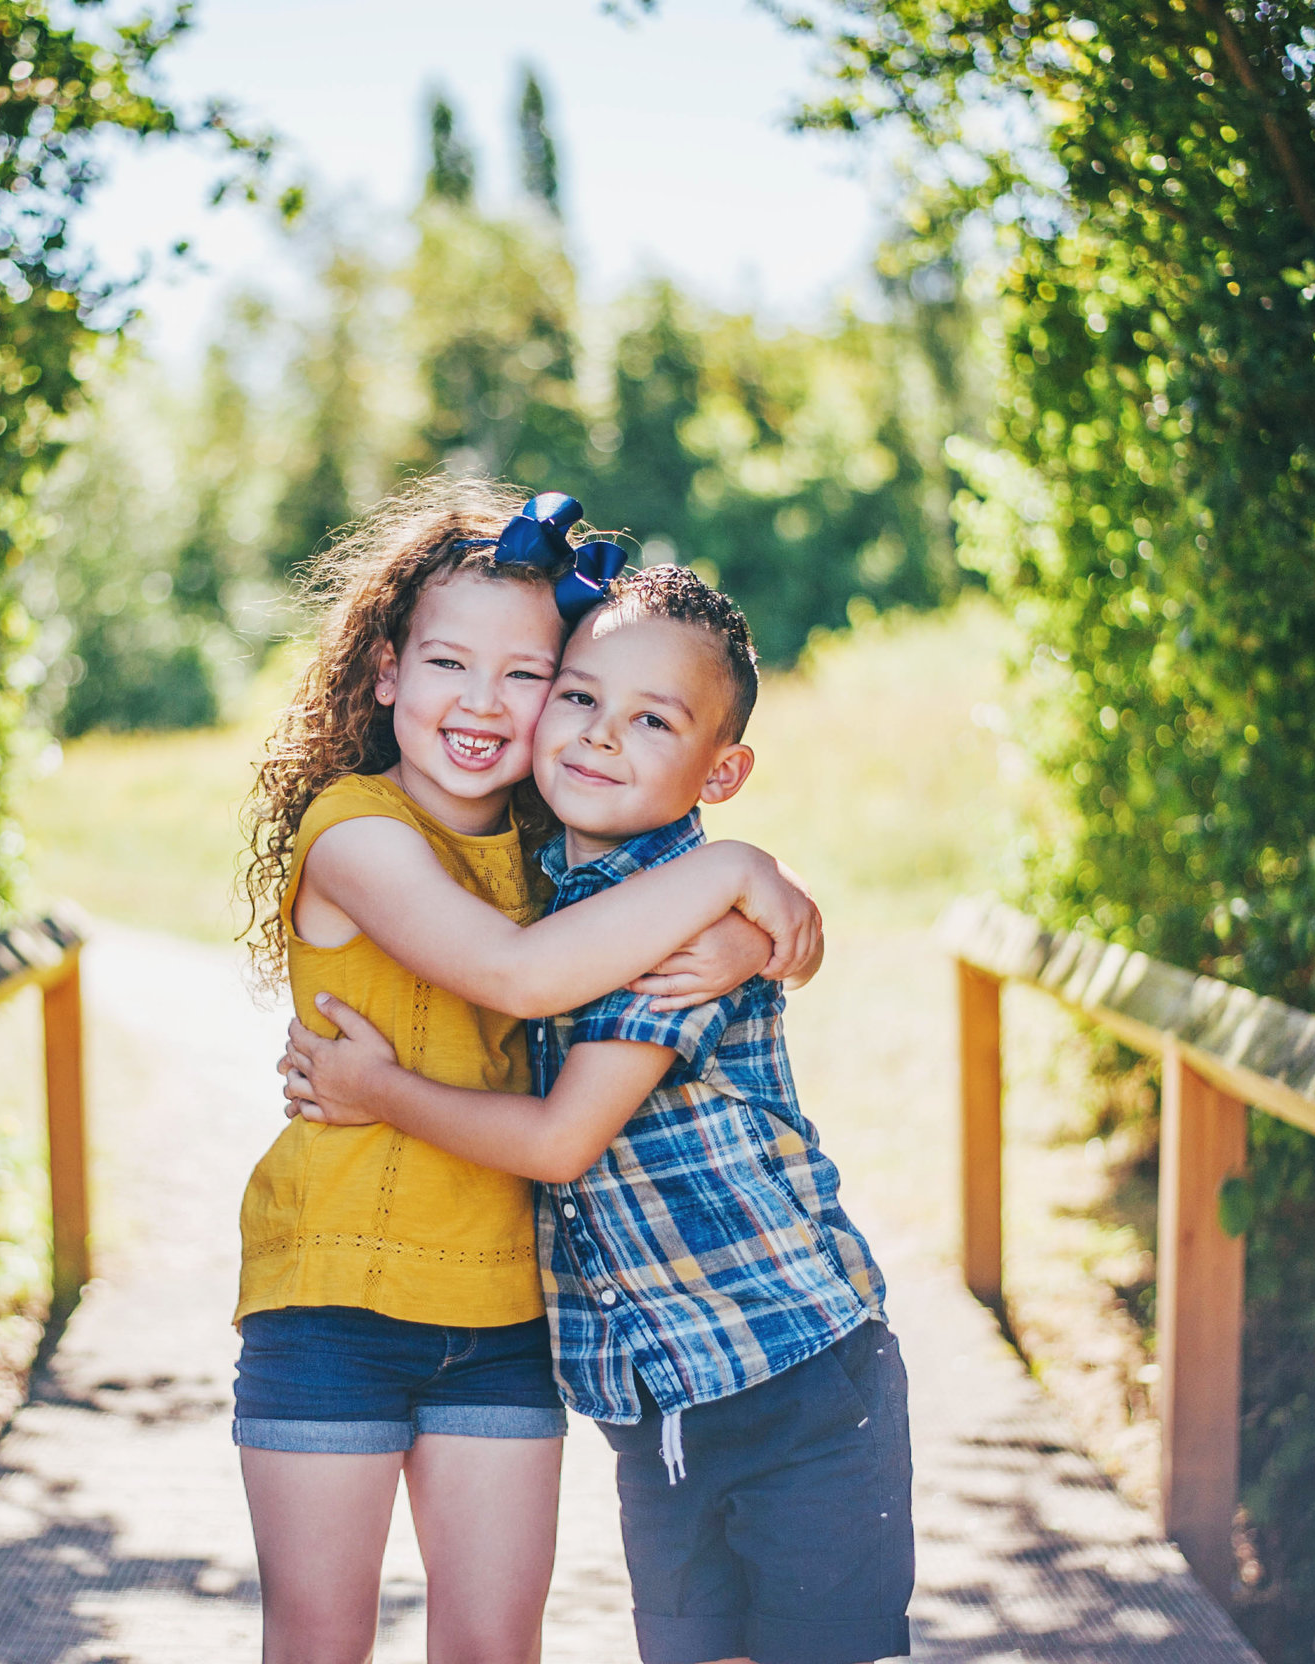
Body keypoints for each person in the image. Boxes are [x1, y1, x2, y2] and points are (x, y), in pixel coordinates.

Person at [235, 480, 831, 1664]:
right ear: (387, 671)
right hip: (333, 1298)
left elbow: (635, 915)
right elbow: (517, 974)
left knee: (495, 1646)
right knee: (319, 1638)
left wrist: (746, 930)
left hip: (507, 1305)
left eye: (527, 677)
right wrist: (735, 874)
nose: (484, 703)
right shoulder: (358, 834)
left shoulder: (552, 852)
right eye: (450, 664)